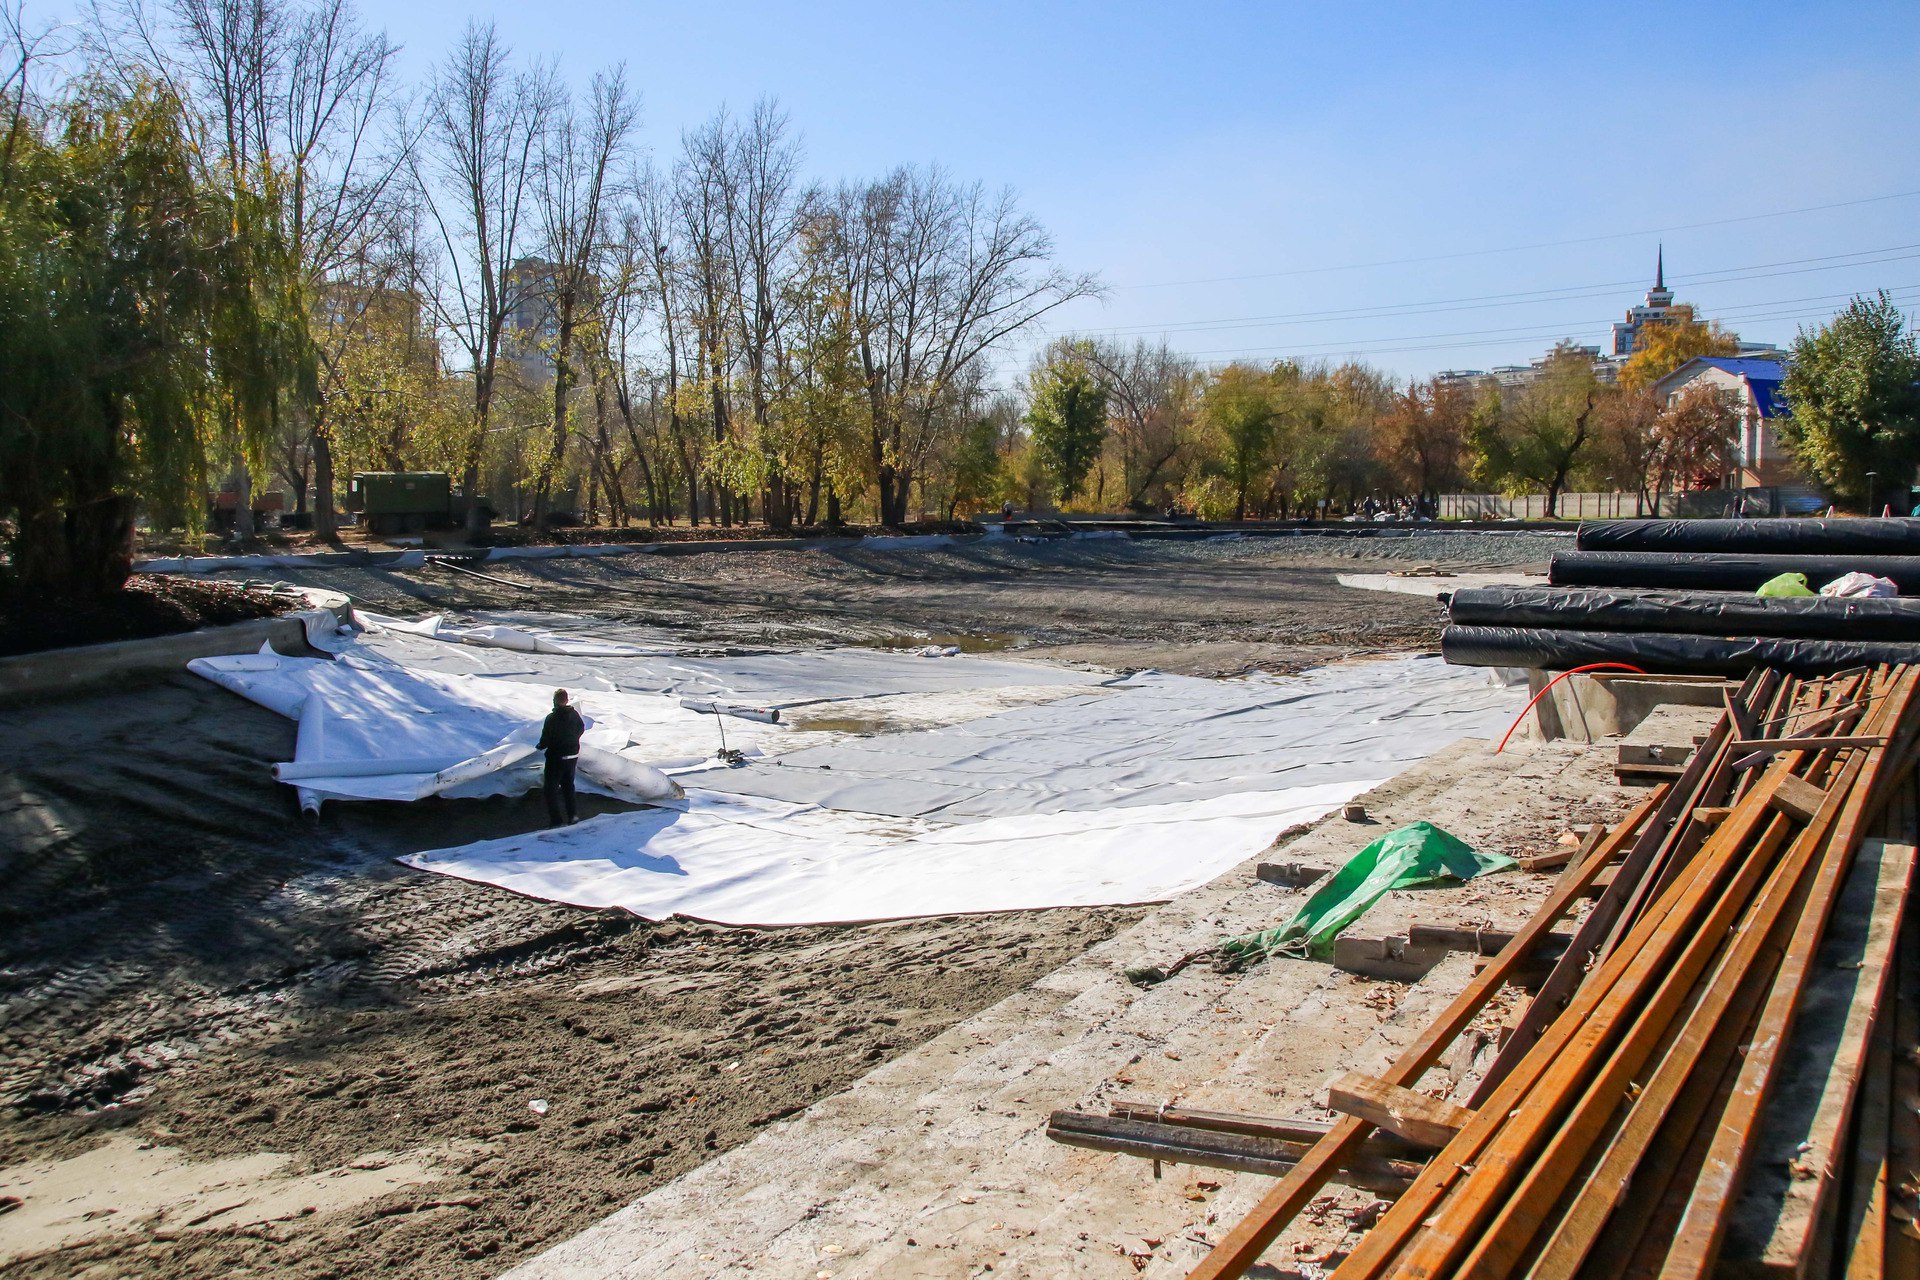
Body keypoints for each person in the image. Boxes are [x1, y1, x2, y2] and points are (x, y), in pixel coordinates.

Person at [537, 688, 585, 827]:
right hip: (572, 756)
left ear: (555, 701)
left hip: (556, 757)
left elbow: (545, 739)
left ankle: (556, 820)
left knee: (550, 789)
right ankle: (573, 816)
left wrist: (540, 746)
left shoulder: (552, 718)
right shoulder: (574, 714)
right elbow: (581, 728)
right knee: (568, 786)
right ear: (566, 700)